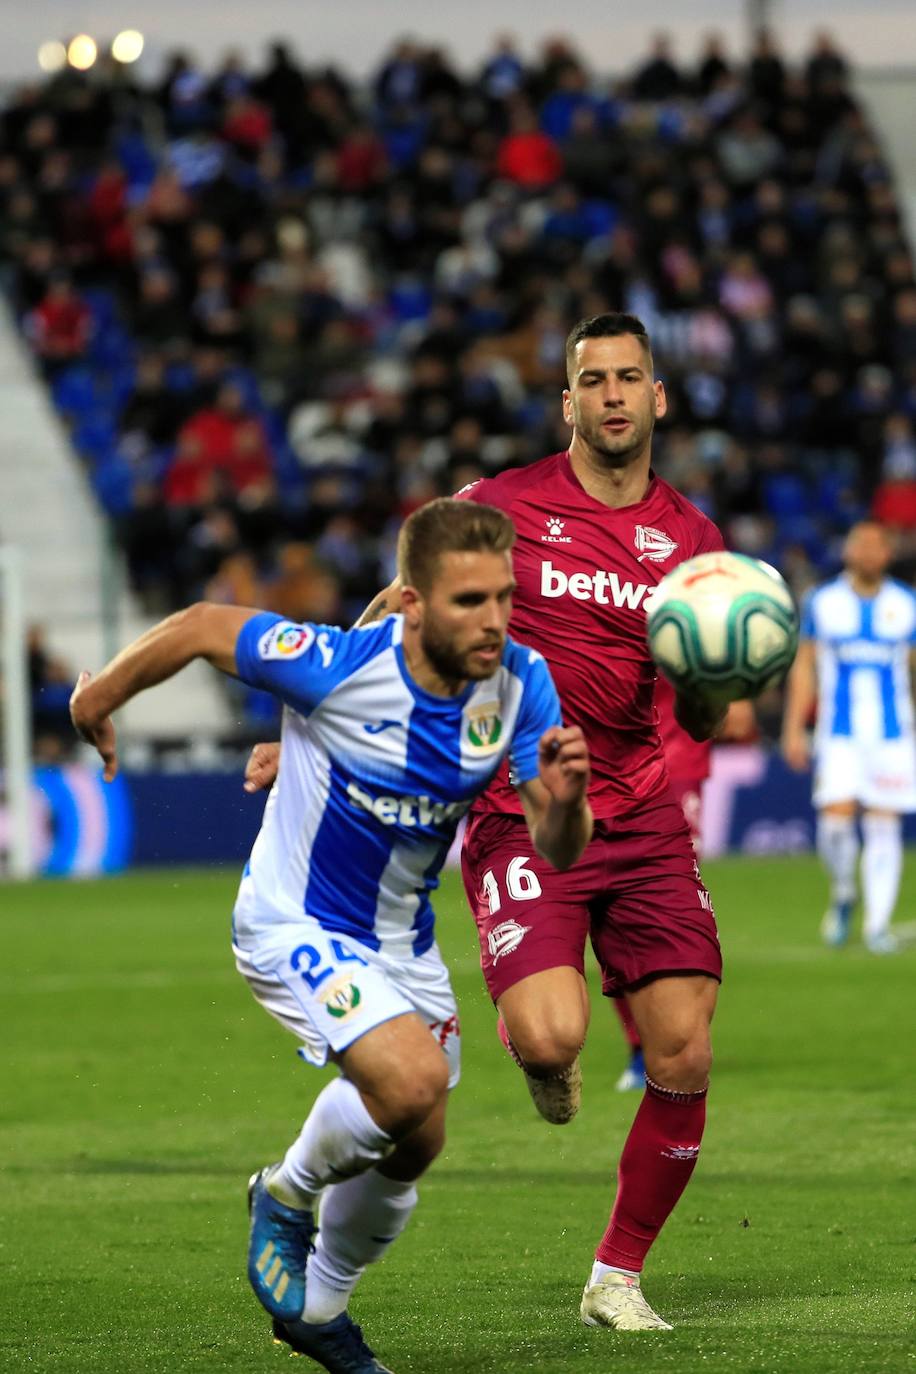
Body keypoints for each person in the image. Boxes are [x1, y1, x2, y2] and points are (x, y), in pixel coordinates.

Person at [248, 314, 736, 1333]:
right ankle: (547, 1062)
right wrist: (312, 737)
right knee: (549, 1038)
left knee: (682, 1052)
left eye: (628, 377)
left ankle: (616, 1276)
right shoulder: (500, 507)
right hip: (526, 813)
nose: (610, 395)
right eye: (591, 379)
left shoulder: (693, 545)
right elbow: (393, 613)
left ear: (658, 398)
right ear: (566, 402)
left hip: (641, 817)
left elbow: (698, 711)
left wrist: (717, 676)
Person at [70, 498, 592, 1374]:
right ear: (413, 603)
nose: (494, 620)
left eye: (503, 597)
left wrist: (569, 801)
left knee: (418, 1134)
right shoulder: (340, 664)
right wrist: (98, 695)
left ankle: (319, 1309)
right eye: (469, 602)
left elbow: (557, 845)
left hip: (403, 941)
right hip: (294, 920)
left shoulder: (521, 686)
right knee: (412, 1078)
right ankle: (284, 1194)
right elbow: (203, 626)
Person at [781, 520, 916, 953]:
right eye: (863, 544)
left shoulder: (906, 604)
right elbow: (804, 667)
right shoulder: (823, 602)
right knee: (835, 825)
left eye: (879, 545)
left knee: (883, 823)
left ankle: (877, 926)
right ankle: (843, 891)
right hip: (839, 735)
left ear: (888, 554)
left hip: (893, 736)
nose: (871, 552)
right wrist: (793, 727)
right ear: (849, 552)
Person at [613, 683, 755, 1091]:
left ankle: (677, 1035)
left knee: (673, 902)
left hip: (678, 757)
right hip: (613, 762)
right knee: (612, 905)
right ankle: (641, 1043)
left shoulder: (687, 616)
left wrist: (737, 684)